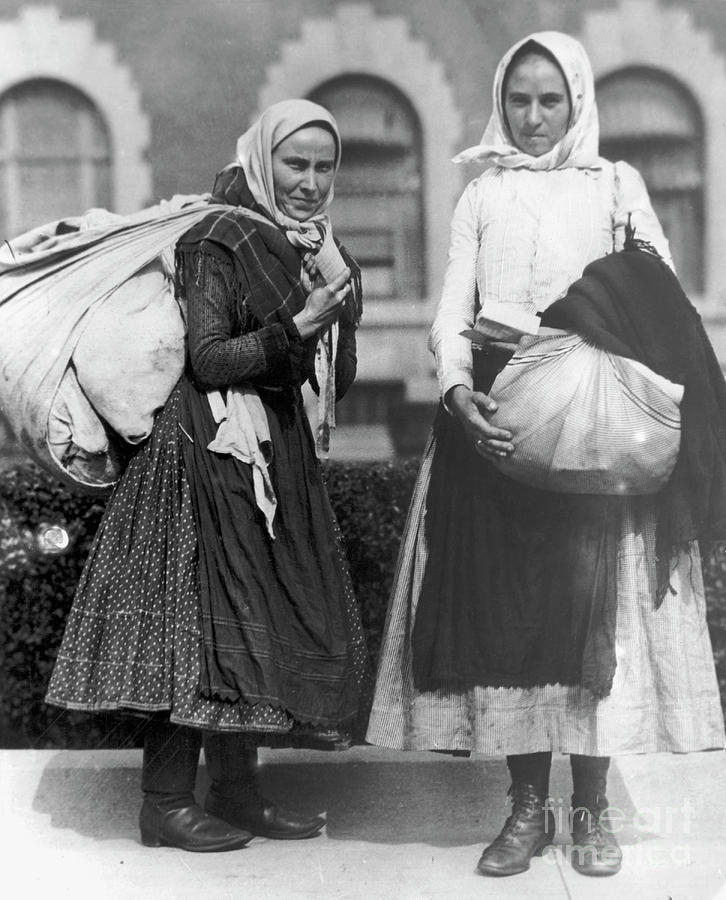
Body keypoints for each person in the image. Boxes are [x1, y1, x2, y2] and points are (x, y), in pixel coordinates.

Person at [365, 32, 725, 879]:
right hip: (495, 426)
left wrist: (558, 331)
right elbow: (453, 312)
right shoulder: (482, 195)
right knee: (509, 618)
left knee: (595, 615)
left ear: (578, 103)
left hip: (592, 426)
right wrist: (458, 392)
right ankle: (526, 808)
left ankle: (592, 809)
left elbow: (654, 295)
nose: (532, 118)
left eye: (549, 100)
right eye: (519, 100)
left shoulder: (615, 185)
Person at [46, 99, 368, 852]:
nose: (311, 182)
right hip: (201, 448)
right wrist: (300, 326)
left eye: (325, 167)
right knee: (187, 623)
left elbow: (336, 383)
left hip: (272, 452)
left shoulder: (318, 251)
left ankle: (237, 791)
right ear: (264, 161)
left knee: (254, 620)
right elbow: (208, 355)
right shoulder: (218, 236)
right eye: (296, 163)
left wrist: (340, 312)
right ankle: (163, 803)